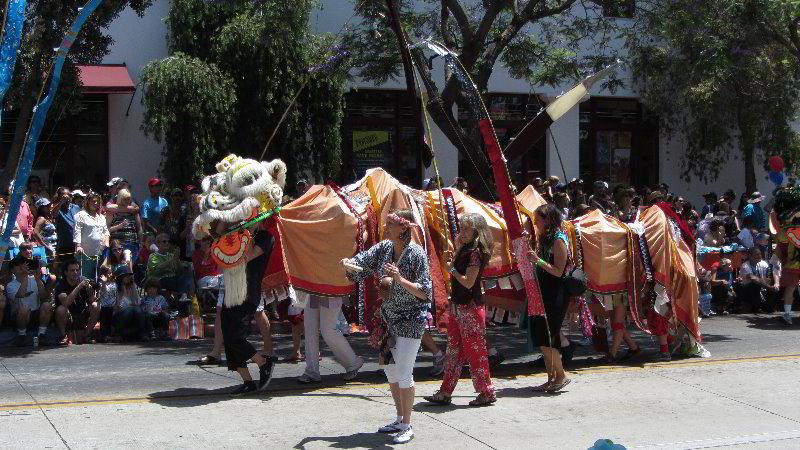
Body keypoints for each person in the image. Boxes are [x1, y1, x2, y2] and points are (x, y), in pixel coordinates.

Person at [342, 209, 432, 444]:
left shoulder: (416, 254)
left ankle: (407, 425)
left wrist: (400, 279)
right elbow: (363, 262)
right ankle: (400, 417)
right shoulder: (384, 249)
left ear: (403, 227)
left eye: (390, 224)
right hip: (388, 318)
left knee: (404, 371)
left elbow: (425, 292)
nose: (386, 227)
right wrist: (349, 264)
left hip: (411, 319)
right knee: (391, 371)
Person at [424, 213, 496, 407]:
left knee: (475, 353)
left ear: (477, 231)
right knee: (454, 351)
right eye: (462, 228)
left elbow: (468, 282)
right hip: (458, 307)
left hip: (469, 308)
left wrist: (452, 269)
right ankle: (445, 391)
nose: (462, 232)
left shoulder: (475, 253)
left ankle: (486, 391)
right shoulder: (465, 249)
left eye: (467, 229)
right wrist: (453, 262)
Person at [217, 222, 275, 397]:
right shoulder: (236, 232)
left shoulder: (265, 238)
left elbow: (246, 256)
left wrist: (248, 231)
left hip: (248, 293)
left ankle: (263, 362)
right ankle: (247, 381)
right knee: (228, 337)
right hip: (231, 289)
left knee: (236, 337)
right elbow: (218, 235)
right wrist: (227, 218)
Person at [526, 203, 571, 393]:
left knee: (550, 336)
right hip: (543, 291)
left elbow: (558, 271)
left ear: (547, 220)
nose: (535, 222)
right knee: (543, 337)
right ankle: (551, 377)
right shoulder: (543, 238)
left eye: (537, 219)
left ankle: (561, 376)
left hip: (555, 292)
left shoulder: (558, 240)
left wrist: (538, 260)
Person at [6, 256, 52, 347]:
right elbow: (21, 295)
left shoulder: (35, 280)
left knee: (47, 305)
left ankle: (41, 334)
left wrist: (38, 279)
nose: (22, 267)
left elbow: (44, 297)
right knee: (24, 309)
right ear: (12, 270)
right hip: (19, 317)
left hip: (35, 315)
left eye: (24, 265)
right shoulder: (10, 285)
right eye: (19, 266)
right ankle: (22, 336)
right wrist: (25, 276)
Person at [54, 259, 100, 344]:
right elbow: (66, 302)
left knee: (95, 305)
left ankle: (86, 336)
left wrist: (90, 290)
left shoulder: (83, 279)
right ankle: (63, 336)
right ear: (66, 272)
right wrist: (78, 287)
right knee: (61, 309)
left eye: (77, 270)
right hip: (67, 317)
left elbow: (92, 300)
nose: (75, 272)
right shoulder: (60, 284)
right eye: (72, 270)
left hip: (82, 314)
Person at [74, 191, 109, 282]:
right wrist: (78, 246)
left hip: (99, 253)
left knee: (97, 279)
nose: (96, 203)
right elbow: (77, 231)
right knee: (84, 279)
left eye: (97, 201)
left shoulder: (101, 217)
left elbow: (106, 231)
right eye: (93, 201)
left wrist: (106, 241)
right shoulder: (81, 215)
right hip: (85, 254)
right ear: (87, 202)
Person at [147, 232, 192, 301]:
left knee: (187, 276)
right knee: (179, 283)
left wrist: (177, 260)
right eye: (164, 241)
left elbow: (179, 271)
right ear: (158, 244)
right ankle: (182, 297)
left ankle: (183, 297)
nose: (167, 243)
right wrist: (172, 259)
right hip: (159, 279)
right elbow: (157, 270)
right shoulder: (153, 256)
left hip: (172, 279)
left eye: (168, 241)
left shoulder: (171, 255)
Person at [113, 264, 149, 341]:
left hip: (133, 312)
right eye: (126, 276)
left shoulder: (132, 286)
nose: (129, 277)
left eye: (129, 275)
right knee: (130, 309)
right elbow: (119, 305)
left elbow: (137, 301)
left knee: (138, 310)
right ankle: (118, 334)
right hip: (119, 314)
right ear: (120, 277)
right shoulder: (115, 287)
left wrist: (132, 305)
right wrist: (124, 291)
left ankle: (143, 334)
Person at [736, 247, 779, 313]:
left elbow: (769, 276)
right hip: (747, 291)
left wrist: (775, 284)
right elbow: (753, 278)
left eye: (760, 254)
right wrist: (768, 287)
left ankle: (771, 306)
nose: (759, 256)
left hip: (762, 288)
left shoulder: (763, 263)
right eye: (756, 254)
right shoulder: (745, 265)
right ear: (750, 256)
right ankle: (755, 306)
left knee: (773, 283)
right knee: (754, 284)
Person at [107, 189, 142, 264]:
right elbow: (106, 230)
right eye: (124, 199)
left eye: (128, 199)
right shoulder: (112, 212)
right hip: (117, 247)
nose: (127, 201)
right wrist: (118, 227)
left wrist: (141, 243)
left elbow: (139, 229)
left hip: (132, 245)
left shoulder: (134, 212)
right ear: (120, 199)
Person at [54, 187, 81, 264]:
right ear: (59, 197)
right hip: (65, 245)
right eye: (64, 196)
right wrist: (61, 202)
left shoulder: (76, 207)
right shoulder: (58, 208)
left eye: (68, 195)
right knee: (65, 268)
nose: (67, 198)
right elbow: (54, 214)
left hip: (77, 244)